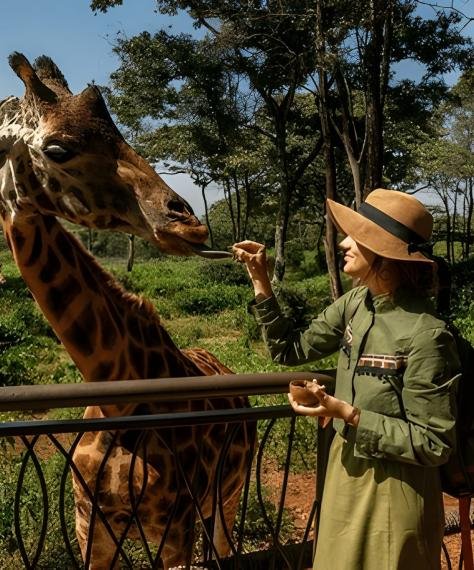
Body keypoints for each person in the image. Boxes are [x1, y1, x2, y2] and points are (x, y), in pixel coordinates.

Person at [232, 188, 460, 570]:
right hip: (343, 477)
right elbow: (290, 350)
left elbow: (434, 442)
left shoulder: (427, 334)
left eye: (357, 237)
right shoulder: (356, 303)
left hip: (394, 494)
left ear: (384, 255)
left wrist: (350, 415)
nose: (343, 242)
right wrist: (261, 280)